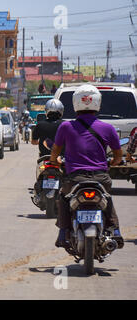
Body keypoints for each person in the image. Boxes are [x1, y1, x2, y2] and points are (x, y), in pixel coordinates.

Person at [50, 84, 124, 249]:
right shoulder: (108, 128)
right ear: (97, 103)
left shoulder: (66, 126)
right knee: (107, 198)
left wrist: (55, 161)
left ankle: (63, 233)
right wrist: (112, 163)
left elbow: (55, 151)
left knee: (63, 198)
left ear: (75, 103)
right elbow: (118, 155)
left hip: (75, 178)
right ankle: (116, 231)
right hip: (101, 177)